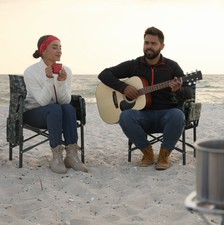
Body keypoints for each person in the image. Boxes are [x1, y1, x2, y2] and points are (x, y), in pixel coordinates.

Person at [98, 26, 192, 170]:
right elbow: (104, 74)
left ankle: (164, 155)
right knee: (125, 116)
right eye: (146, 43)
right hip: (142, 117)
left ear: (162, 46)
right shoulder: (134, 65)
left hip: (166, 116)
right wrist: (124, 88)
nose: (149, 47)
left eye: (153, 43)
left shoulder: (171, 67)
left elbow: (189, 93)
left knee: (178, 115)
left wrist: (178, 89)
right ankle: (147, 153)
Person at [23, 35, 88, 174]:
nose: (59, 51)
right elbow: (43, 102)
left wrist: (61, 82)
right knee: (54, 108)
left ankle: (71, 156)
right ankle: (57, 156)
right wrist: (48, 79)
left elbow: (64, 101)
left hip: (57, 112)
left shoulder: (66, 71)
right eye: (54, 47)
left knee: (67, 108)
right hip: (34, 112)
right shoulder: (31, 72)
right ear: (43, 50)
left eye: (60, 47)